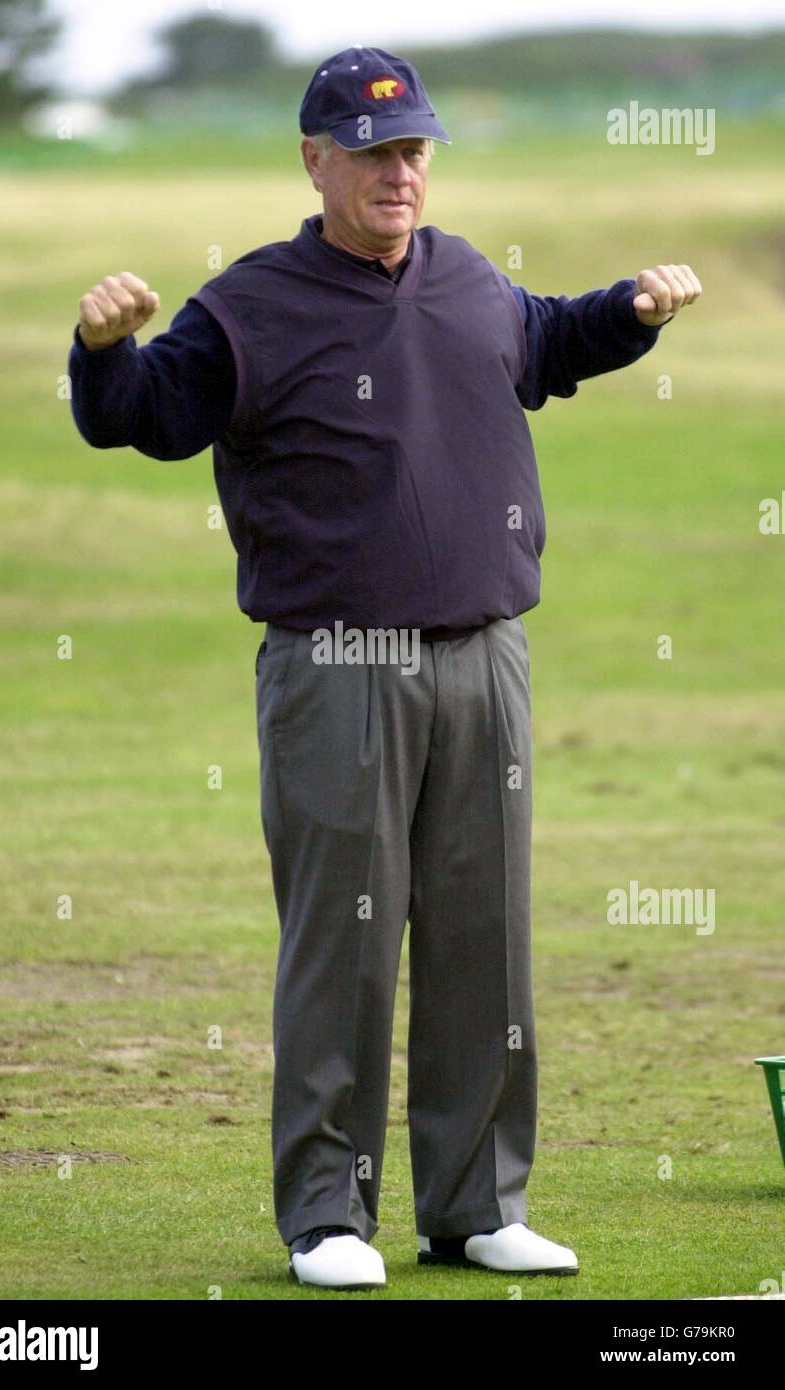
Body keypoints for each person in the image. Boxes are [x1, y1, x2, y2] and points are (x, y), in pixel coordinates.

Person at [67, 45, 702, 1292]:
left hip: (488, 661)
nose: (399, 171)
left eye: (414, 149)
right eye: (372, 153)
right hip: (336, 669)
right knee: (342, 943)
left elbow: (547, 343)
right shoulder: (249, 307)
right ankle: (325, 1215)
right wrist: (100, 353)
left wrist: (627, 313)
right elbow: (143, 415)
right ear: (315, 161)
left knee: (485, 937)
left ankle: (474, 1206)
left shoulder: (466, 278)